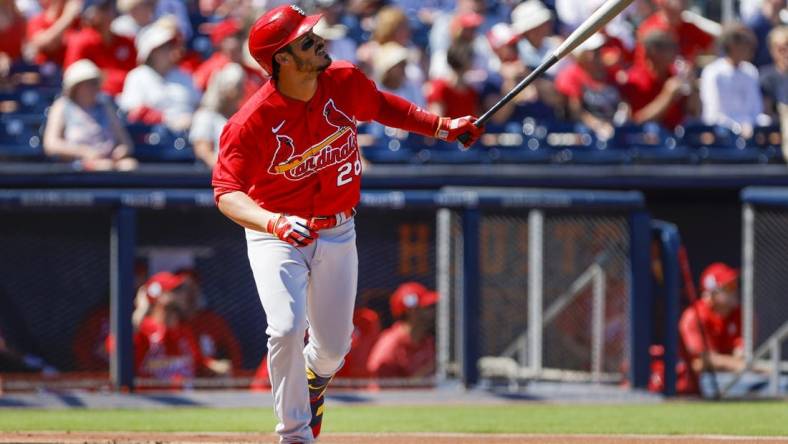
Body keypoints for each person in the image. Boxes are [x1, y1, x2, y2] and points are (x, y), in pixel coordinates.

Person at [211, 5, 482, 443]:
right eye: (305, 39)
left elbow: (381, 106)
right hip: (275, 234)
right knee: (283, 327)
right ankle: (295, 434)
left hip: (337, 230)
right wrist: (273, 222)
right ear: (281, 58)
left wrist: (443, 127)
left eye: (313, 33)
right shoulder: (251, 121)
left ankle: (315, 381)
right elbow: (227, 192)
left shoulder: (342, 80)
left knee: (334, 350)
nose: (318, 41)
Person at [43, 59, 137, 171]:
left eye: (94, 83)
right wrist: (84, 152)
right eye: (87, 83)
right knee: (103, 167)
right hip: (76, 166)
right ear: (75, 87)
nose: (93, 87)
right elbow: (51, 144)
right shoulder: (62, 106)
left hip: (109, 160)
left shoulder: (105, 105)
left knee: (129, 166)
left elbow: (125, 142)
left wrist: (121, 151)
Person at [118, 16, 200, 131]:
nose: (169, 50)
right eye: (163, 47)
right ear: (151, 52)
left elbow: (199, 106)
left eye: (169, 46)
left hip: (190, 133)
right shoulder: (138, 76)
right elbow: (133, 112)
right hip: (156, 139)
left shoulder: (184, 75)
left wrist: (194, 120)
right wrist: (169, 120)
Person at [677, 263, 744, 395]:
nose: (735, 290)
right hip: (699, 380)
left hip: (731, 375)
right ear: (711, 292)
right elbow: (702, 362)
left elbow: (741, 353)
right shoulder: (694, 316)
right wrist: (740, 366)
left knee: (777, 383)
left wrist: (743, 364)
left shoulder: (740, 314)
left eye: (735, 285)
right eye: (729, 287)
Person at [618, 30, 699, 130]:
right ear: (653, 51)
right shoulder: (634, 79)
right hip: (649, 140)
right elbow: (636, 122)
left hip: (678, 138)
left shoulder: (674, 75)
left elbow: (694, 112)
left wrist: (693, 86)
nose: (675, 52)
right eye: (669, 48)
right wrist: (667, 95)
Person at [63, 0, 137, 96]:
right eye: (103, 8)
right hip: (95, 102)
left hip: (129, 97)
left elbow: (137, 76)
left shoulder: (127, 42)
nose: (109, 12)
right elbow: (73, 79)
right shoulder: (81, 42)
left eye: (111, 6)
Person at [699, 24, 763, 135]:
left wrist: (748, 124)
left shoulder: (751, 71)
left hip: (750, 128)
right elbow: (712, 113)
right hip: (721, 130)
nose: (749, 47)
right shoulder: (713, 72)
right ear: (732, 45)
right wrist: (737, 127)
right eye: (743, 42)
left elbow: (756, 108)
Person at [366, 282, 438, 378]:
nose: (433, 312)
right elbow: (381, 384)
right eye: (427, 308)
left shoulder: (427, 342)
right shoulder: (391, 342)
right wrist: (422, 375)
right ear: (412, 311)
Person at [190, 63, 246, 169]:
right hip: (216, 178)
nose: (240, 91)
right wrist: (228, 172)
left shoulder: (243, 117)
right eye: (237, 86)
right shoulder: (205, 116)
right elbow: (203, 152)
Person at [25, 0, 82, 65]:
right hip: (47, 69)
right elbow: (45, 44)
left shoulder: (79, 22)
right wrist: (67, 17)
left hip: (74, 69)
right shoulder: (37, 21)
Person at [760, 26, 788, 122]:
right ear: (772, 50)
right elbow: (767, 111)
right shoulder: (766, 77)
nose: (786, 53)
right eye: (781, 49)